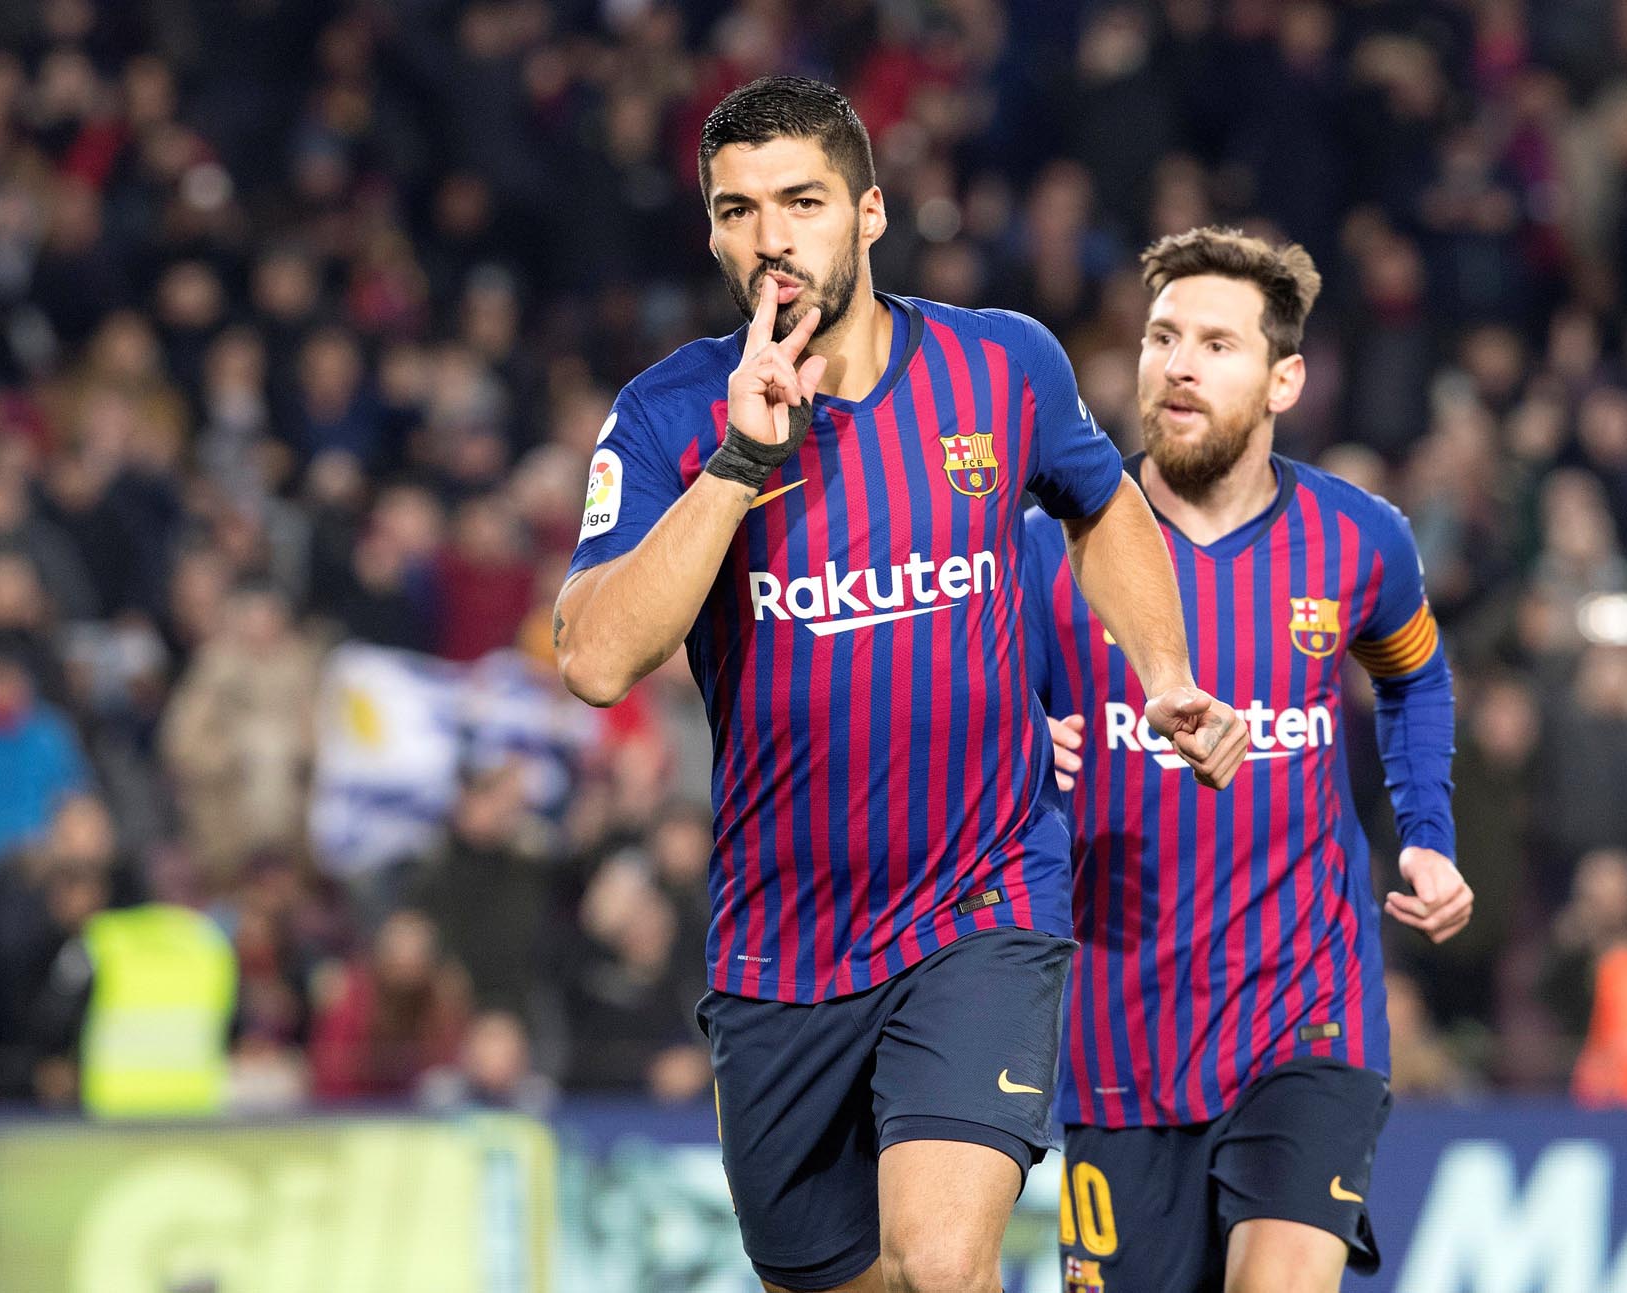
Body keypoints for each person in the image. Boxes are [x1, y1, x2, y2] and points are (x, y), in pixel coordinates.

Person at [553, 76, 1248, 1293]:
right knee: (829, 1279)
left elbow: (1101, 507)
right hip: (778, 945)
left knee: (937, 1267)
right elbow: (596, 658)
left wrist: (1165, 667)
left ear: (870, 213)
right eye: (737, 210)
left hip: (978, 904)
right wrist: (736, 462)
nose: (771, 238)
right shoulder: (666, 413)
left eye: (803, 201)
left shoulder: (1001, 366)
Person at [1024, 227, 1472, 1293]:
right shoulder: (1048, 549)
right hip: (1117, 1036)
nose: (1178, 364)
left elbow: (1415, 679)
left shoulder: (1360, 541)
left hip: (1304, 1015)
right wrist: (1024, 747)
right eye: (1162, 337)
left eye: (1216, 344)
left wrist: (1428, 838)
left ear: (1284, 380)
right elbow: (965, 730)